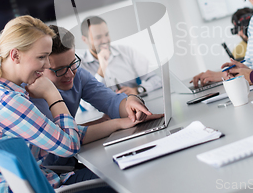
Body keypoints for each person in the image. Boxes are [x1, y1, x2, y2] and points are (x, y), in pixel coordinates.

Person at [0, 16, 151, 192]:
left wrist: (119, 123)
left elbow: (64, 135)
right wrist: (52, 94)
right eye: (42, 57)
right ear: (15, 56)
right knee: (125, 176)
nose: (47, 65)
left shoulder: (6, 92)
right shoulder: (8, 101)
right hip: (40, 186)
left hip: (44, 181)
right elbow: (69, 145)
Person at [30, 25, 162, 168]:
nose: (70, 74)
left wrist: (130, 103)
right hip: (51, 172)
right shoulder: (30, 95)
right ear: (39, 68)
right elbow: (63, 139)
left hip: (71, 162)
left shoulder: (78, 74)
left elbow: (111, 102)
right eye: (59, 70)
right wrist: (114, 124)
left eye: (72, 63)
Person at [80, 16, 162, 95]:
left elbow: (158, 79)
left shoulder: (126, 52)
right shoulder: (79, 66)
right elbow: (86, 103)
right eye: (98, 37)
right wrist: (102, 69)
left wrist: (137, 90)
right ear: (85, 40)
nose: (105, 40)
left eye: (106, 35)